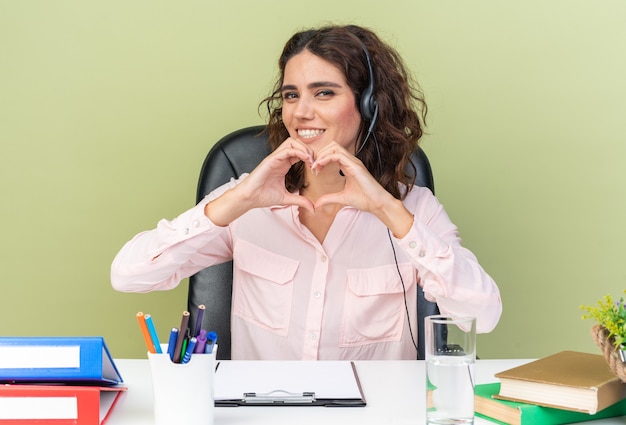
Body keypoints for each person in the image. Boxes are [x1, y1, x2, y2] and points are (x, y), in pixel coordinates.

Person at [111, 24, 502, 360]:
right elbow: (128, 275)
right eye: (291, 94)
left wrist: (388, 210)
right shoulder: (245, 201)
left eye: (325, 93)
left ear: (369, 105)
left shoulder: (413, 209)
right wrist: (238, 200)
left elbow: (482, 315)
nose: (301, 112)